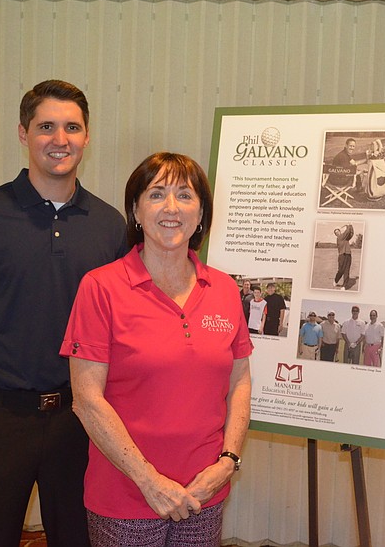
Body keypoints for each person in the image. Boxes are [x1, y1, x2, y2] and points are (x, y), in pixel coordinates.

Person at [0, 79, 127, 547]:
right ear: (23, 133)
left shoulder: (110, 225)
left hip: (82, 421)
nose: (60, 140)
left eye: (72, 127)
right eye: (46, 127)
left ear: (87, 136)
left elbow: (121, 329)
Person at [61, 152, 253, 547]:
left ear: (201, 214)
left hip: (204, 493)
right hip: (126, 496)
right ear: (135, 210)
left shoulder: (225, 289)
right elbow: (86, 399)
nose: (171, 207)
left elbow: (240, 382)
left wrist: (228, 462)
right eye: (156, 194)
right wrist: (150, 482)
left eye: (185, 195)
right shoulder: (100, 288)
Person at [334, 224, 354, 289]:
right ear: (336, 234)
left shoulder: (345, 238)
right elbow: (347, 232)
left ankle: (344, 286)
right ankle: (336, 280)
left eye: (338, 231)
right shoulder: (340, 238)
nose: (337, 232)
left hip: (348, 255)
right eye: (336, 232)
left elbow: (351, 233)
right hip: (342, 256)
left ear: (340, 231)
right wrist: (348, 226)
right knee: (341, 271)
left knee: (346, 271)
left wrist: (351, 227)